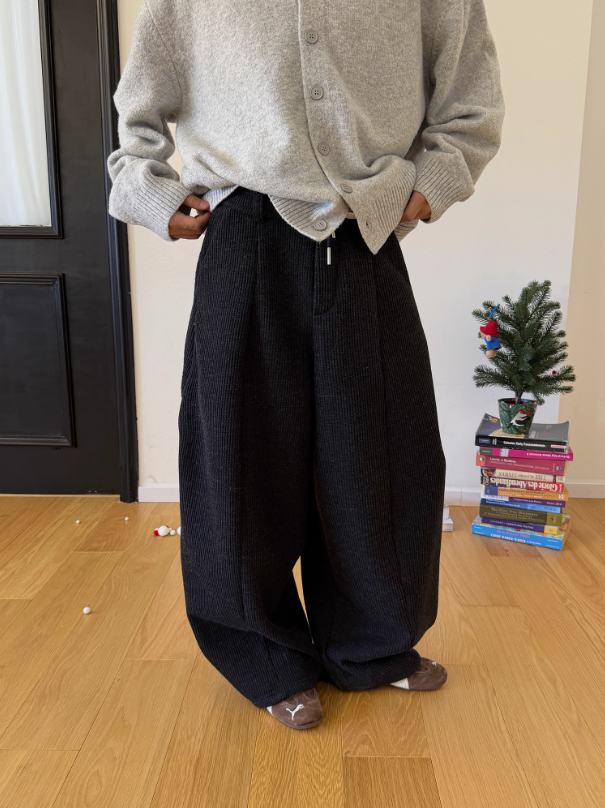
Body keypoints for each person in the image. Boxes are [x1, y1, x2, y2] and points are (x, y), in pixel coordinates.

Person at [107, 0, 505, 730]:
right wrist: (151, 192)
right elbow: (139, 109)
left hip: (366, 230)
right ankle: (264, 655)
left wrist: (432, 184)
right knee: (239, 457)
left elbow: (469, 100)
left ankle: (373, 646)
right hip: (244, 231)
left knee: (385, 451)